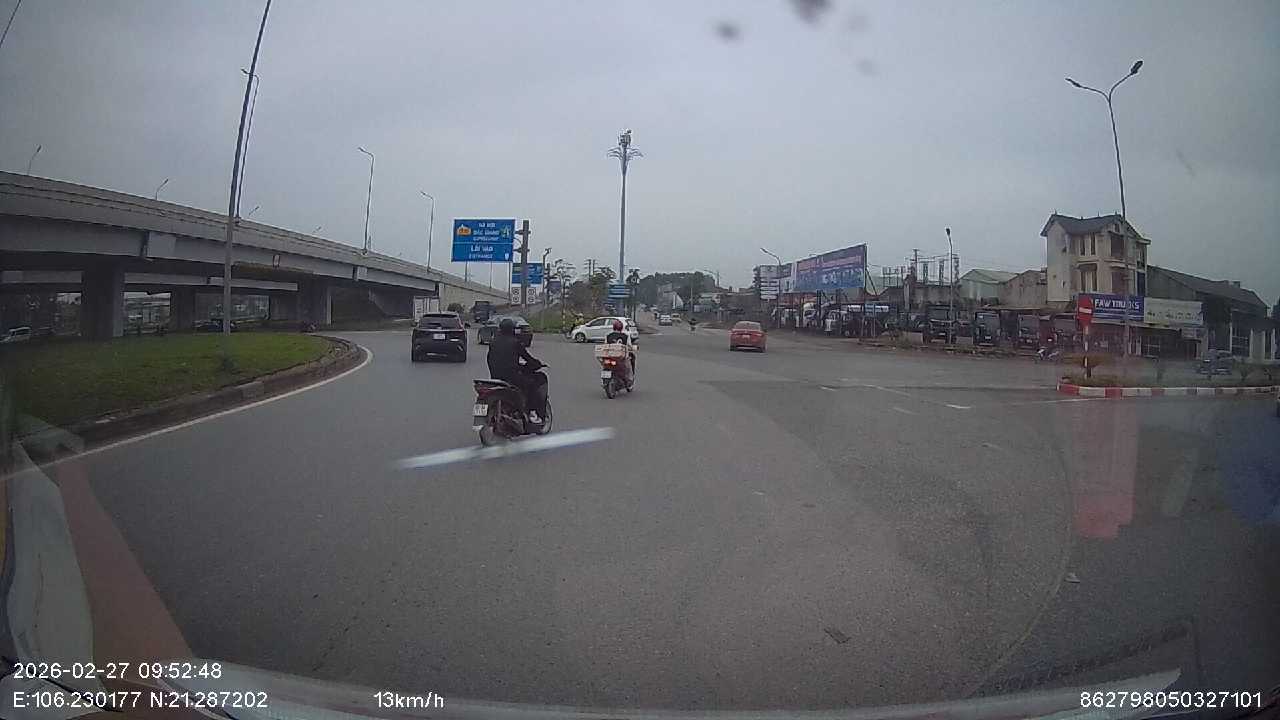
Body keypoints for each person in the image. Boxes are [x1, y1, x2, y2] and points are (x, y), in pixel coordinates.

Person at [487, 318, 548, 422]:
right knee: (532, 384)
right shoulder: (515, 342)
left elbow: (491, 359)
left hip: (495, 377)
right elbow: (528, 358)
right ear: (512, 330)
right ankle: (532, 412)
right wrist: (537, 364)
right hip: (512, 378)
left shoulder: (493, 342)